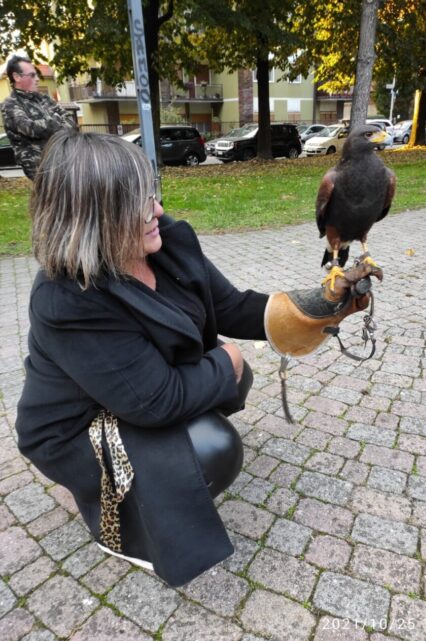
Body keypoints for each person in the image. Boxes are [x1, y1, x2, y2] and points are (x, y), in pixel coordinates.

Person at [16, 130, 374, 587]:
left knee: (224, 384)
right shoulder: (66, 298)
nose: (158, 211)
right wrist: (227, 362)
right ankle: (115, 512)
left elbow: (230, 305)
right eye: (138, 204)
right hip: (77, 426)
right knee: (213, 447)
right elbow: (155, 402)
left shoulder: (164, 242)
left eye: (151, 194)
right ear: (95, 218)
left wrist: (325, 302)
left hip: (137, 392)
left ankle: (164, 457)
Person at [1, 55, 74, 180]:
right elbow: (30, 128)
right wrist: (57, 120)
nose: (37, 79)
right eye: (32, 75)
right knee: (53, 198)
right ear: (17, 77)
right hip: (39, 166)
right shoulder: (11, 105)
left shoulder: (43, 99)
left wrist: (51, 124)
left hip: (63, 158)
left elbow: (71, 123)